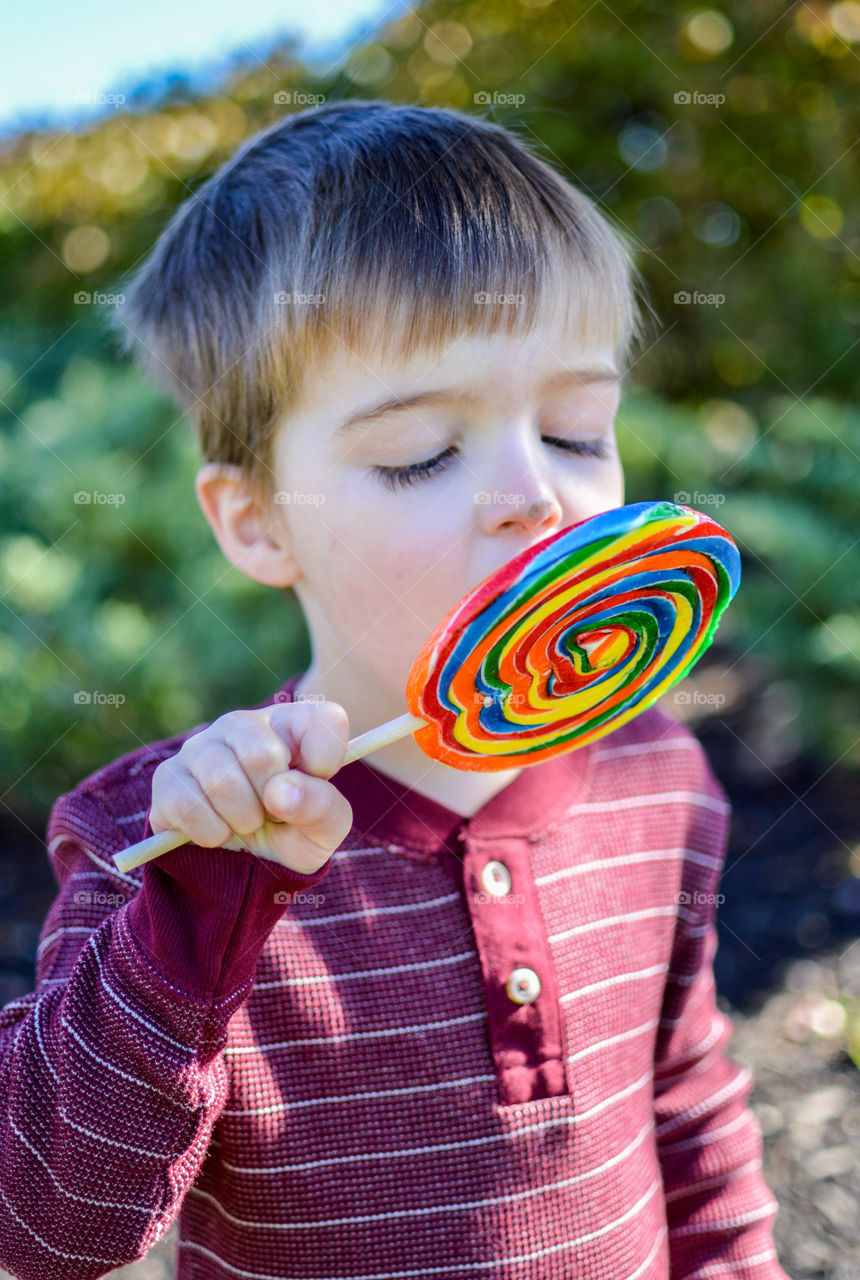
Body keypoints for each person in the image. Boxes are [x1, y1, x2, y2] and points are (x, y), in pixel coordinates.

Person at [0, 100, 792, 1280]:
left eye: (576, 429)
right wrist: (196, 921)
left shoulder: (655, 774)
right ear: (259, 522)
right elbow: (45, 1224)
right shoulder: (168, 839)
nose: (534, 492)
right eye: (421, 452)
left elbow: (681, 1100)